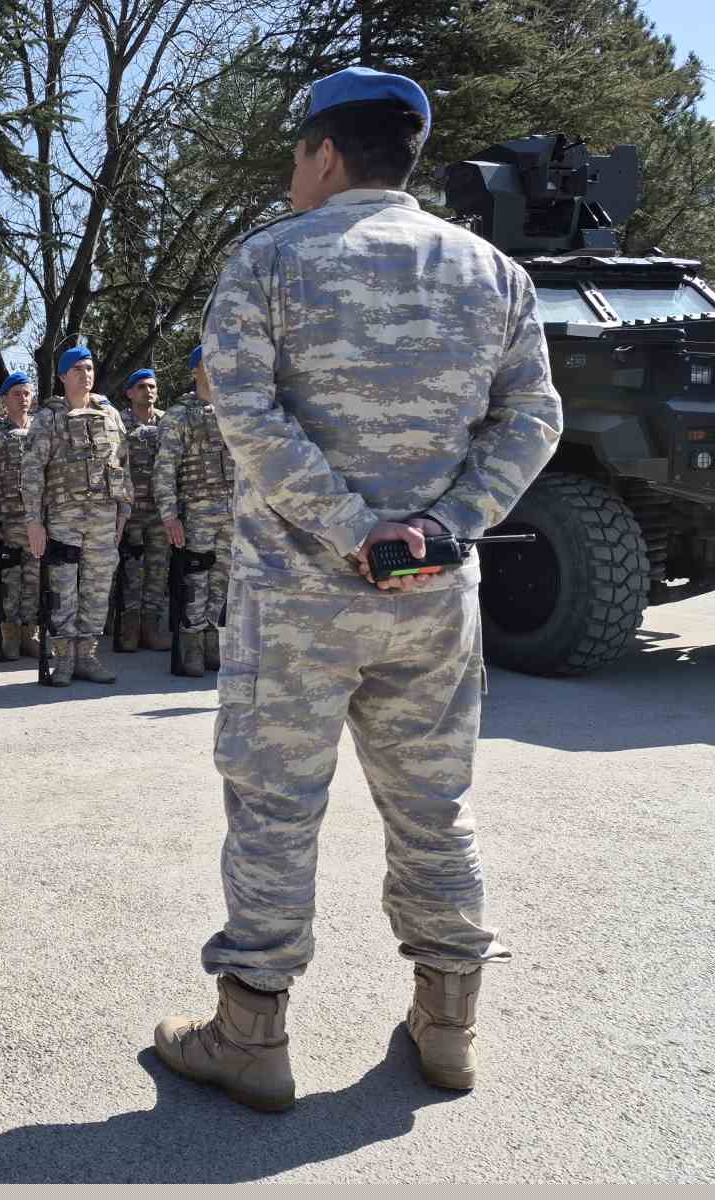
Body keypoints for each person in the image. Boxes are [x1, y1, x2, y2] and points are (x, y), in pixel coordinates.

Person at [152, 66, 561, 1112]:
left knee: (275, 811)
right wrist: (442, 527)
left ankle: (251, 1035)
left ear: (325, 154)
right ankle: (447, 1025)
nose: (296, 171)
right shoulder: (493, 274)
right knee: (435, 807)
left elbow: (242, 414)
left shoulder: (269, 262)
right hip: (430, 600)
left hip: (298, 598)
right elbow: (531, 422)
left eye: (298, 153)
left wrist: (349, 533)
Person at [21, 346, 131, 686]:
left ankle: (87, 655)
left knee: (98, 589)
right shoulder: (49, 417)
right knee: (63, 590)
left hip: (103, 516)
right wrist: (34, 521)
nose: (86, 374)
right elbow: (31, 471)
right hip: (64, 516)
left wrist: (123, 513)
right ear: (63, 376)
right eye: (78, 369)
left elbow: (123, 465)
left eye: (89, 368)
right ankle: (65, 658)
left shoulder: (109, 414)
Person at [153, 347, 237, 676]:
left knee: (223, 582)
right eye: (207, 362)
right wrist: (169, 514)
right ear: (195, 370)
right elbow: (164, 468)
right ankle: (190, 645)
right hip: (197, 512)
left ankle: (211, 641)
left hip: (232, 511)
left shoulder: (233, 411)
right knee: (196, 579)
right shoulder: (180, 414)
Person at [116, 368, 169, 651]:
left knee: (158, 571)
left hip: (161, 512)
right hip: (132, 512)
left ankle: (151, 628)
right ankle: (129, 628)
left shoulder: (168, 422)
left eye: (151, 386)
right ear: (129, 393)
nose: (147, 391)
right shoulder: (119, 423)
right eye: (140, 386)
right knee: (132, 571)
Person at [0, 371, 41, 661]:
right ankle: (9, 635)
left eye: (27, 393)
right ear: (5, 398)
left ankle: (29, 633)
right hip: (7, 520)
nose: (23, 398)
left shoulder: (41, 431)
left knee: (34, 579)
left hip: (34, 521)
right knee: (10, 580)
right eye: (17, 393)